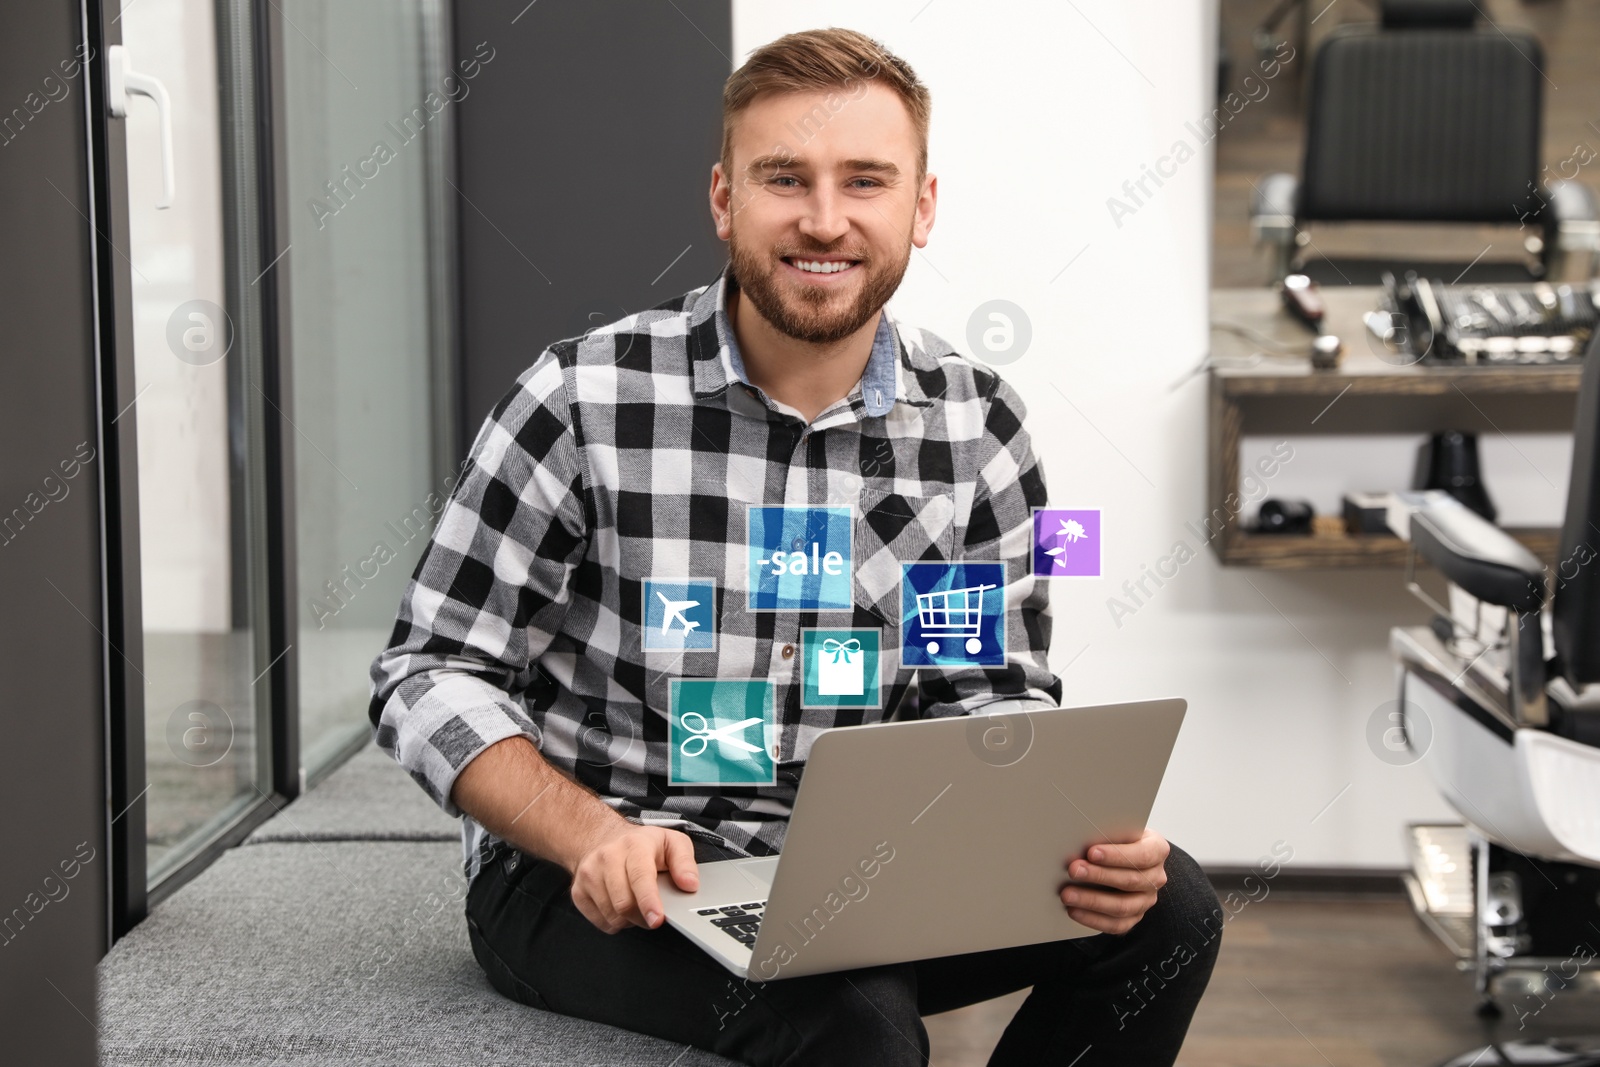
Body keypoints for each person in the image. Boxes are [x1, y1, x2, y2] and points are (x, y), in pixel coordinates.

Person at [369, 26, 1220, 1066]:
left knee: (1167, 910)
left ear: (922, 206)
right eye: (786, 179)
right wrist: (591, 835)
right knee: (852, 1016)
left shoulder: (976, 423)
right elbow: (427, 668)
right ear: (724, 198)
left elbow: (984, 688)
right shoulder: (581, 396)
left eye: (865, 181)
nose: (825, 219)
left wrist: (1048, 821)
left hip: (859, 872)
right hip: (599, 873)